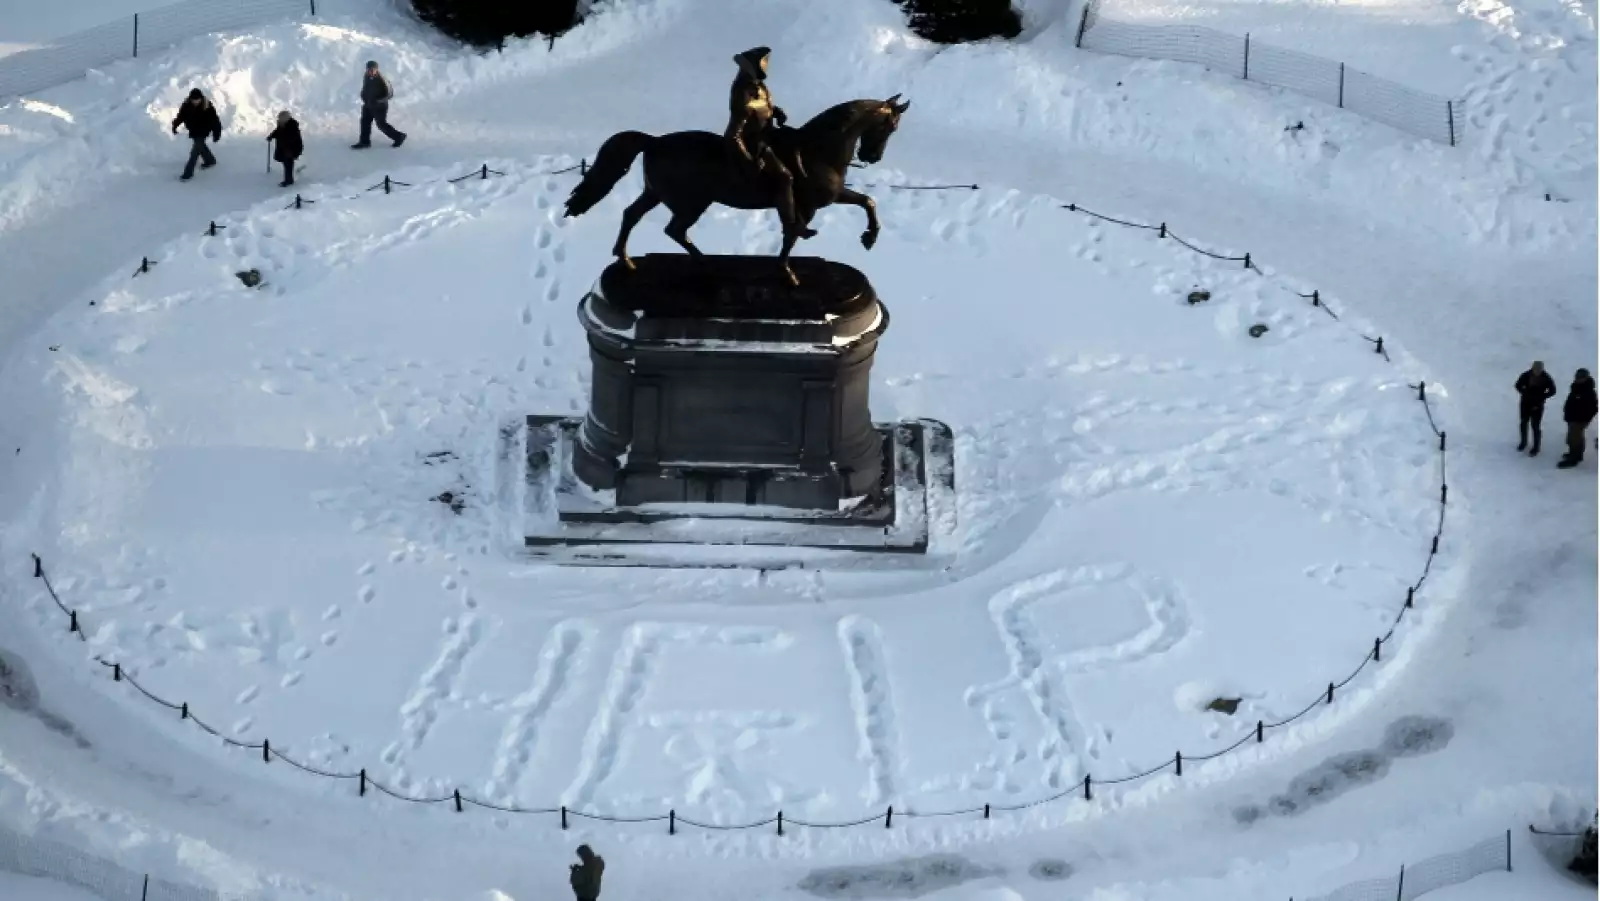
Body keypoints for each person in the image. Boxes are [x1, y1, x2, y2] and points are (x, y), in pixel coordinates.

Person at [724, 46, 813, 240]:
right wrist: (748, 159)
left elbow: (764, 106)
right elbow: (733, 134)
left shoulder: (758, 86)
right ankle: (790, 225)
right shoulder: (742, 92)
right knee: (784, 177)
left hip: (768, 133)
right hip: (755, 142)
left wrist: (775, 112)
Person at [171, 88, 222, 181]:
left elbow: (215, 121)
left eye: (197, 100)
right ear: (190, 99)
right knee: (200, 147)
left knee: (194, 153)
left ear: (201, 98)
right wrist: (175, 125)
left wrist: (217, 133)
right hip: (193, 130)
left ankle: (188, 173)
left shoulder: (207, 106)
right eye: (194, 100)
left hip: (203, 131)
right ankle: (210, 160)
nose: (196, 102)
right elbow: (181, 116)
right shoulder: (186, 105)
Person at [353, 60, 406, 149]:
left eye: (373, 69)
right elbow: (365, 88)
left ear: (376, 69)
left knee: (381, 125)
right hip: (368, 104)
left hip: (380, 107)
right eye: (369, 69)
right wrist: (363, 96)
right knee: (364, 122)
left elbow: (390, 94)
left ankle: (399, 136)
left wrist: (378, 101)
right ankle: (364, 142)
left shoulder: (382, 79)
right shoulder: (366, 76)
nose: (370, 71)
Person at [1514, 360, 1558, 455]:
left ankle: (1536, 447)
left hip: (1537, 405)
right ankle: (1523, 442)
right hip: (1525, 403)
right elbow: (1517, 385)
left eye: (1539, 369)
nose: (1537, 371)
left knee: (1535, 426)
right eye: (1535, 369)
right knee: (1523, 423)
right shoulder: (1526, 375)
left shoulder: (1546, 378)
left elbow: (1553, 390)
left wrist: (1543, 396)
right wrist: (1524, 392)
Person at [1558, 368, 1596, 469]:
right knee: (1574, 437)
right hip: (1572, 418)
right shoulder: (1576, 387)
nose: (1577, 379)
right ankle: (1575, 454)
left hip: (1579, 420)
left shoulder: (1588, 391)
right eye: (1577, 377)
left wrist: (1584, 418)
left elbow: (1593, 408)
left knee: (1574, 438)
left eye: (1580, 378)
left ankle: (1574, 459)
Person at [265, 110, 303, 188]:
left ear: (285, 118)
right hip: (283, 148)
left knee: (288, 164)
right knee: (283, 161)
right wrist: (271, 136)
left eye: (280, 118)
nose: (279, 119)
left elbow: (294, 139)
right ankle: (289, 177)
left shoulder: (292, 126)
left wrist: (291, 149)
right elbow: (277, 131)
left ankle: (288, 180)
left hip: (291, 149)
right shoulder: (282, 124)